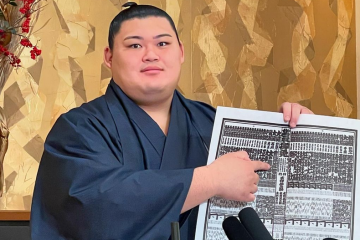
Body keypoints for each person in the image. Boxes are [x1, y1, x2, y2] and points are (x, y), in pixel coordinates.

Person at [30, 2, 313, 240]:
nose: (151, 54)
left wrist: (302, 134)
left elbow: (271, 188)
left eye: (162, 43)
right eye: (134, 45)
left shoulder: (212, 122)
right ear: (109, 56)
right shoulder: (79, 129)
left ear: (180, 52)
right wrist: (211, 179)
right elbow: (94, 206)